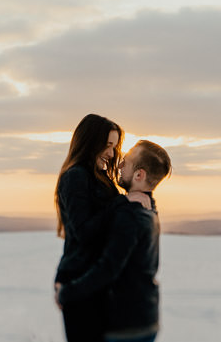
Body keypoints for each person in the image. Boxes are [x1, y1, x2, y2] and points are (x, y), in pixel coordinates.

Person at [56, 140, 172, 342]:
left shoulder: (130, 215)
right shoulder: (149, 208)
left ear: (139, 175)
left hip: (127, 326)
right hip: (145, 317)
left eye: (125, 162)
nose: (118, 165)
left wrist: (67, 292)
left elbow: (108, 268)